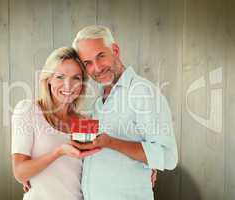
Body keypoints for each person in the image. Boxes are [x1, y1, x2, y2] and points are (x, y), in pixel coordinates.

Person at [70, 25, 178, 200]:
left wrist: (112, 142)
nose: (97, 68)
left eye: (101, 56)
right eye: (87, 63)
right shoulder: (97, 100)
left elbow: (168, 156)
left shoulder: (143, 92)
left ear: (115, 50)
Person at [11, 47, 99, 200]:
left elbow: (96, 167)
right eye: (60, 77)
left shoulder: (85, 121)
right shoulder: (29, 110)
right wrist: (58, 152)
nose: (68, 85)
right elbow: (20, 172)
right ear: (49, 79)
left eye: (76, 78)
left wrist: (147, 167)